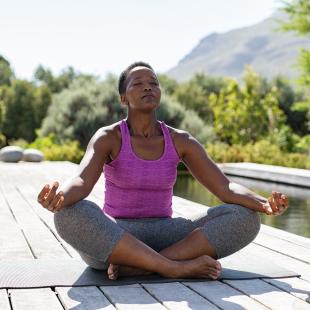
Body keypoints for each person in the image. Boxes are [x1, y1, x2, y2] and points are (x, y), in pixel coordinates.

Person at [37, 61, 289, 280]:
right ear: (123, 97)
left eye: (153, 82)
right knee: (68, 213)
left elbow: (224, 187)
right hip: (116, 239)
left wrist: (262, 202)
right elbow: (81, 180)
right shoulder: (109, 137)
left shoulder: (181, 140)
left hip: (168, 236)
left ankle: (143, 268)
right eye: (137, 83)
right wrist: (60, 198)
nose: (148, 86)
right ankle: (172, 268)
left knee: (244, 217)